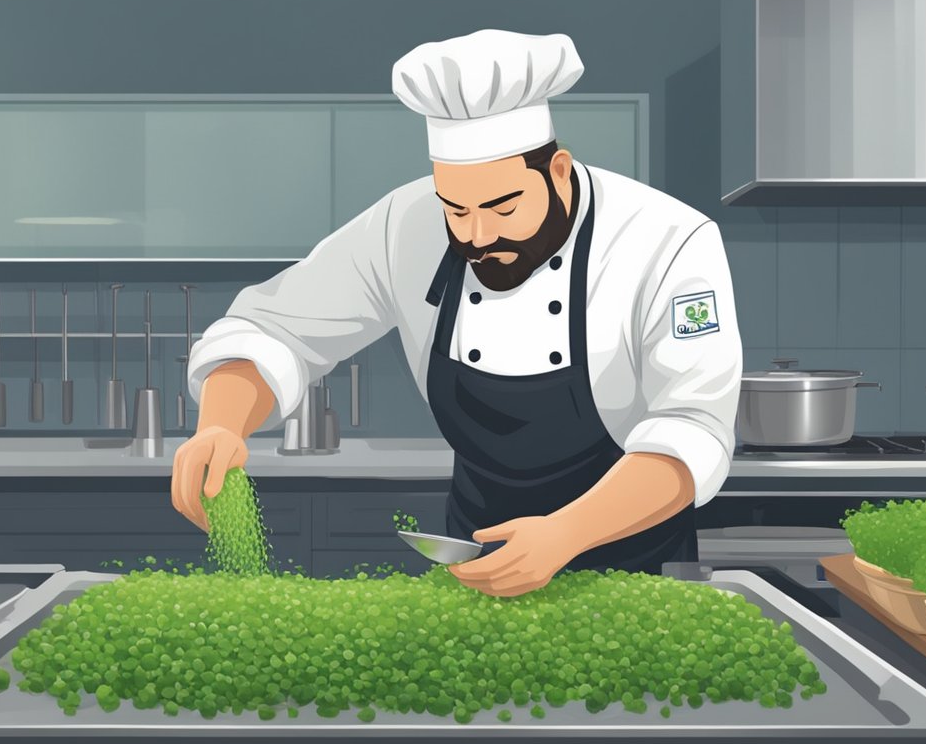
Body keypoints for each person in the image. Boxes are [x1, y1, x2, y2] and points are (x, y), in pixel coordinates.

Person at [171, 29, 741, 597]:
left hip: (637, 574)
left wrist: (566, 533)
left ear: (559, 170)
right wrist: (221, 423)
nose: (477, 235)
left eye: (503, 206)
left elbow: (690, 427)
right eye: (456, 209)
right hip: (476, 569)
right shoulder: (405, 225)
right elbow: (275, 328)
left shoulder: (668, 241)